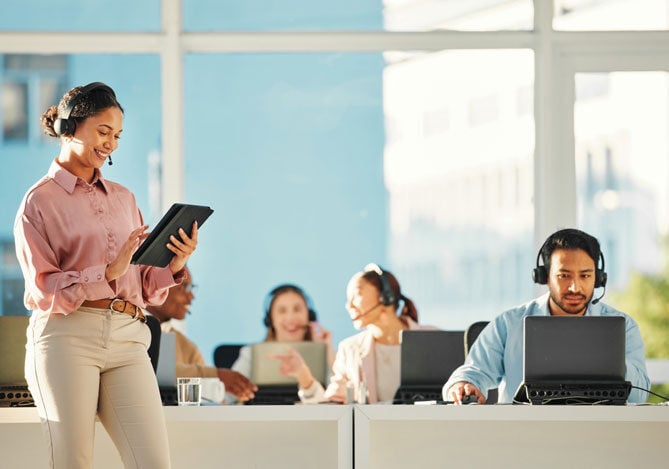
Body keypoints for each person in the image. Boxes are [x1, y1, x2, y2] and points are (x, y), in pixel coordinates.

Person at [14, 82, 198, 468]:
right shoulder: (39, 201)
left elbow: (143, 283)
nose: (111, 143)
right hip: (67, 338)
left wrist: (173, 266)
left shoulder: (124, 197)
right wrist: (106, 272)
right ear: (71, 126)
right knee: (73, 462)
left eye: (117, 135)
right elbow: (44, 288)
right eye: (103, 131)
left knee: (153, 462)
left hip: (129, 337)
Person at [443, 228, 650, 405]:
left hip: (597, 435)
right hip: (523, 437)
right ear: (545, 277)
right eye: (564, 275)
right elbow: (472, 373)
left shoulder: (623, 327)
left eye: (585, 276)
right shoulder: (509, 324)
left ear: (598, 278)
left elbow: (640, 395)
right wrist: (463, 386)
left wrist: (608, 358)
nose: (574, 287)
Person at [273, 263, 432, 404]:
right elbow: (331, 406)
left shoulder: (432, 340)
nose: (348, 305)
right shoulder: (349, 350)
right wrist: (305, 379)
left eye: (356, 295)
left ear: (385, 296)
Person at [145, 267, 257, 402]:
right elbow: (151, 372)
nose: (191, 296)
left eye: (192, 288)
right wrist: (217, 375)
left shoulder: (187, 347)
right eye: (184, 287)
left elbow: (204, 403)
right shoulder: (130, 328)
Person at [231, 283, 335, 381]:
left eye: (297, 309)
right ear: (270, 320)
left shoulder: (325, 356)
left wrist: (327, 350)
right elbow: (226, 396)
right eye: (282, 311)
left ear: (310, 316)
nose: (290, 318)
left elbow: (345, 393)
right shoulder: (251, 355)